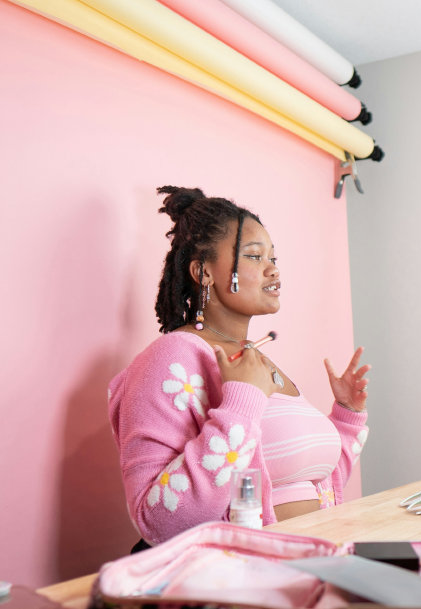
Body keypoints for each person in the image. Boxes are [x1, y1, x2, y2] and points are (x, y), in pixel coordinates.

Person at [108, 185, 371, 550]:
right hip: (238, 580)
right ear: (203, 272)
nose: (272, 270)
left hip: (312, 569)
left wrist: (346, 417)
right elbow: (160, 521)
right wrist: (239, 404)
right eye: (253, 256)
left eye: (273, 259)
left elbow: (314, 485)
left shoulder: (258, 361)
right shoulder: (168, 360)